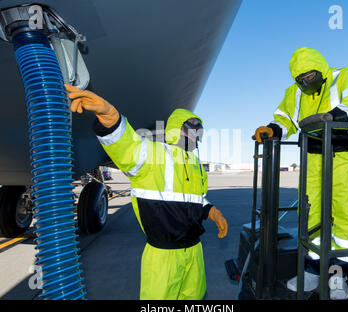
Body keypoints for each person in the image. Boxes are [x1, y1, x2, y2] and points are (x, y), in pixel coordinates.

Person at [65, 84, 228, 300]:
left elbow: (196, 199)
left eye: (199, 129)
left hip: (194, 252)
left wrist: (212, 211)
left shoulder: (196, 164)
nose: (195, 133)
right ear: (176, 128)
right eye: (190, 127)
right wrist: (112, 121)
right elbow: (127, 147)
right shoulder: (154, 154)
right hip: (163, 256)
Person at [254, 47, 348, 299]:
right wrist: (273, 129)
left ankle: (339, 276)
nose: (306, 82)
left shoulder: (344, 76)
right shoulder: (294, 93)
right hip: (312, 156)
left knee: (345, 216)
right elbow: (285, 118)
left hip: (344, 153)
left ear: (321, 69)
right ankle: (312, 270)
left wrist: (334, 116)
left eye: (310, 76)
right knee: (311, 212)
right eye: (301, 79)